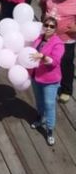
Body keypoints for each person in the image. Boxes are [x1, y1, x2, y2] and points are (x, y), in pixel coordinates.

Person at [40, 0, 76, 104]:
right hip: (49, 37)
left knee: (66, 63)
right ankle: (49, 84)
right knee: (49, 61)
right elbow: (42, 1)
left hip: (67, 39)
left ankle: (66, 90)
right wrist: (43, 14)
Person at [29, 17, 64, 146]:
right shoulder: (38, 38)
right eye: (46, 25)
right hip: (36, 76)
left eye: (51, 26)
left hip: (50, 80)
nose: (48, 28)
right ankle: (40, 118)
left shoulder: (58, 43)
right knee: (39, 101)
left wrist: (43, 56)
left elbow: (54, 62)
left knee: (49, 104)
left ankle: (49, 130)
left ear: (55, 29)